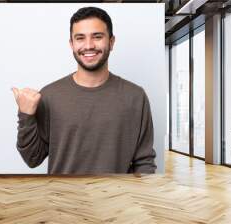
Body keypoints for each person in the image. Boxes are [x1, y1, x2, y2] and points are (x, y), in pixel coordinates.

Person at [11, 6, 156, 174]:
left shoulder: (135, 97)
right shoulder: (50, 96)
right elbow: (32, 159)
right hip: (62, 198)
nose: (88, 45)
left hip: (116, 198)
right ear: (72, 44)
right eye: (80, 38)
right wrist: (25, 115)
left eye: (97, 36)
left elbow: (144, 162)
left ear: (111, 42)